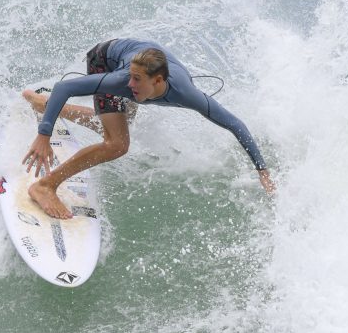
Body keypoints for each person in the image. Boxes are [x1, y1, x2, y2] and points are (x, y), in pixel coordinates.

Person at [22, 38, 275, 218]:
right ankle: (46, 186)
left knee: (118, 123)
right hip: (105, 59)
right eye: (130, 77)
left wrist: (262, 170)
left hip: (138, 62)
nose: (129, 84)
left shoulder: (187, 94)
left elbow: (234, 123)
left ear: (158, 81)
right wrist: (44, 134)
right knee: (117, 144)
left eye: (137, 80)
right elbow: (65, 87)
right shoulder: (122, 80)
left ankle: (44, 103)